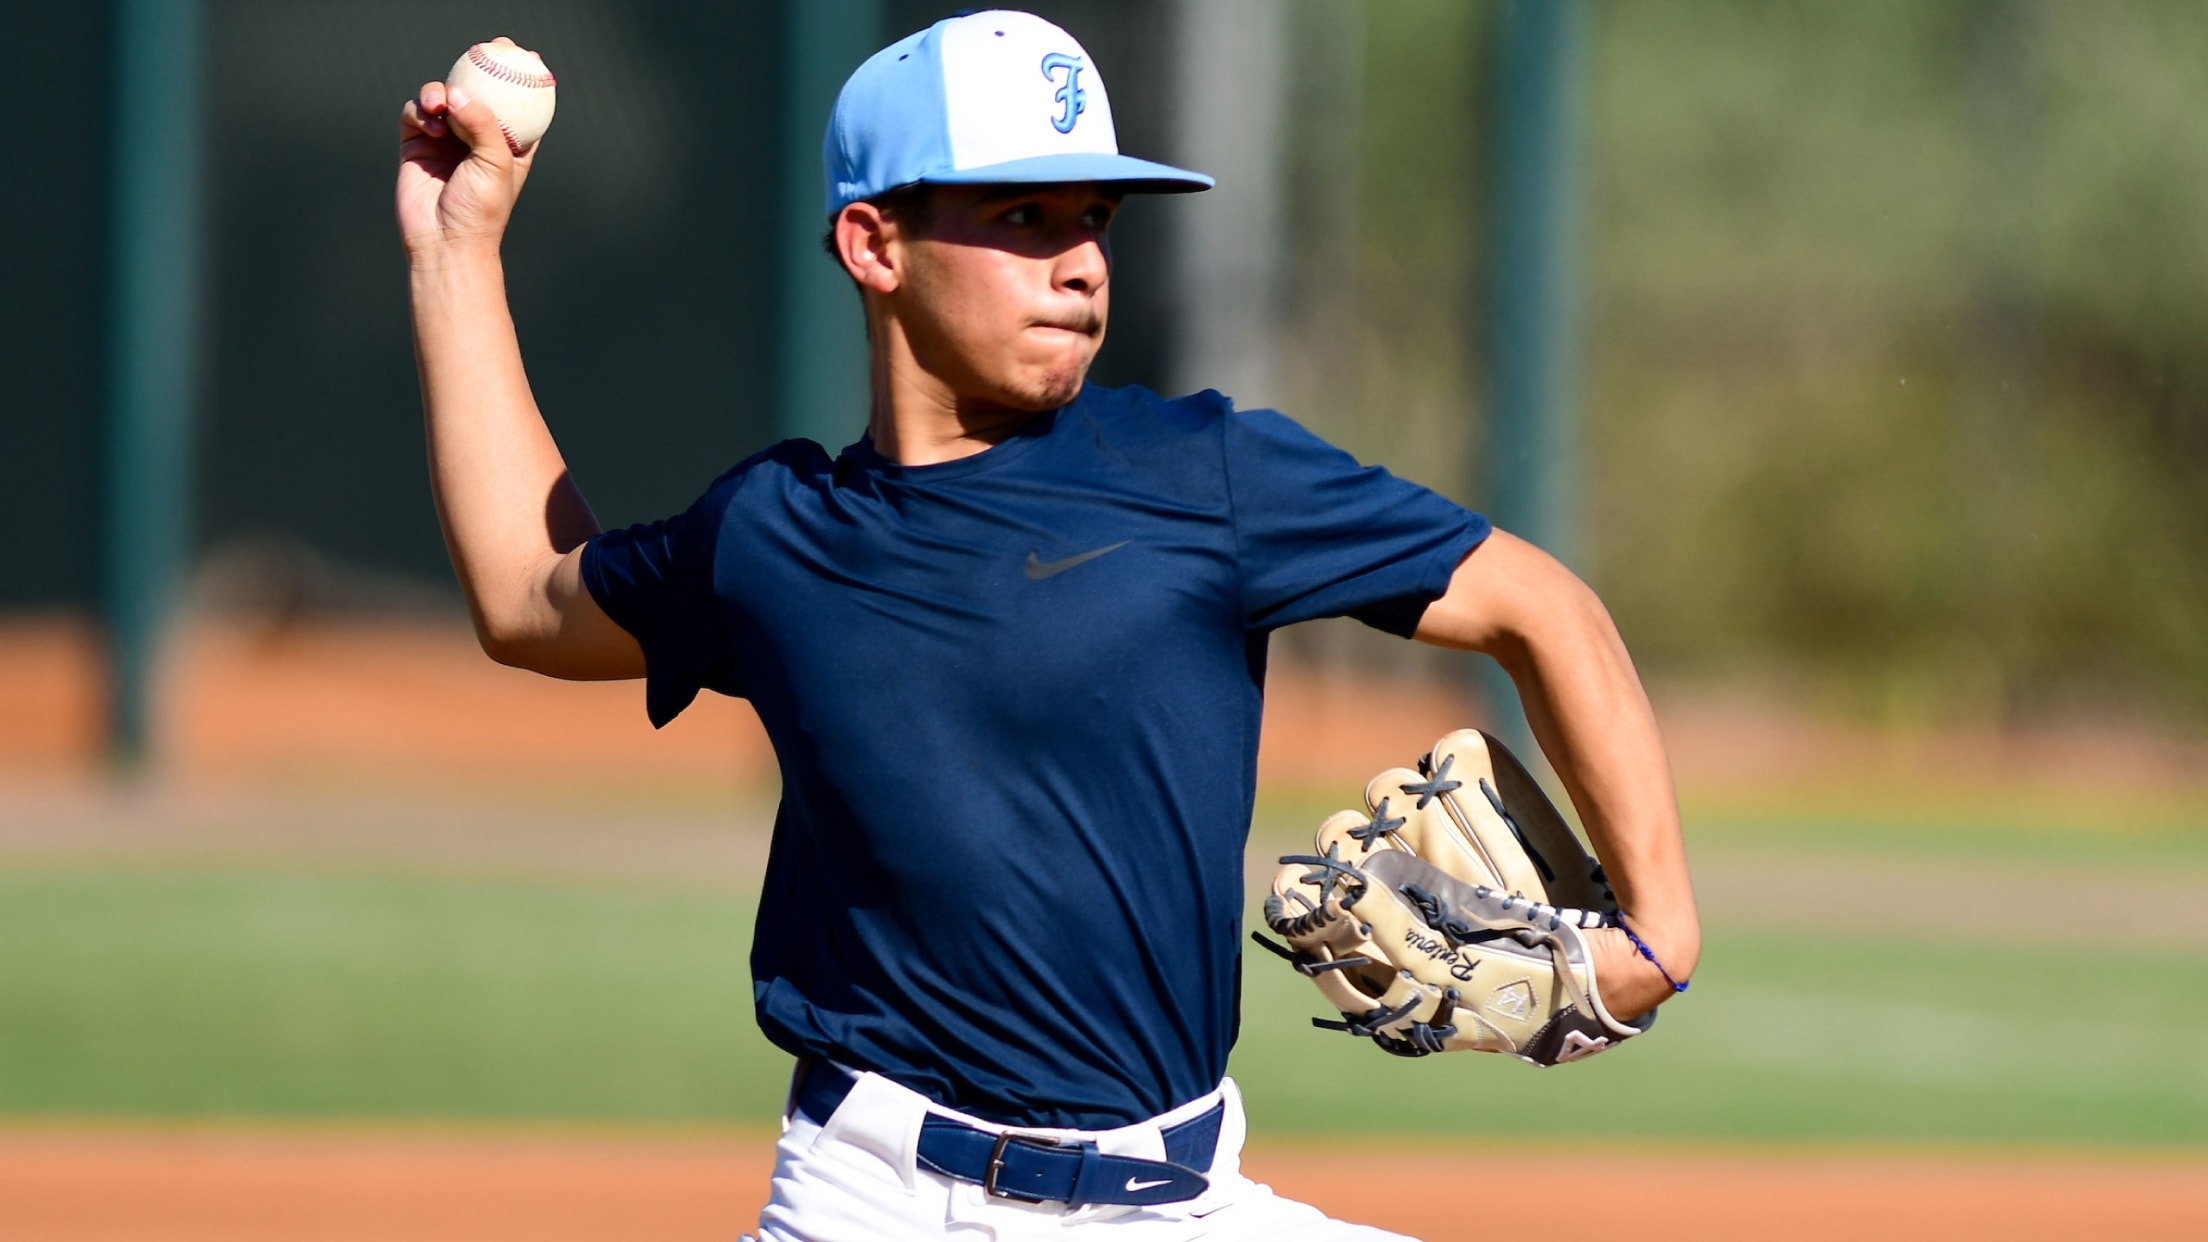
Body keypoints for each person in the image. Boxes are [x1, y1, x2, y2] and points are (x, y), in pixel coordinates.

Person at [396, 11, 1698, 1240]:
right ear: (873, 245)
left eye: (1093, 217)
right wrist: (457, 247)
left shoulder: (1201, 473)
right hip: (875, 1203)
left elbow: (1545, 607)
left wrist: (1658, 932)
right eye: (1022, 216)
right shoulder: (775, 535)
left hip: (1183, 1200)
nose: (1079, 260)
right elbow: (526, 593)